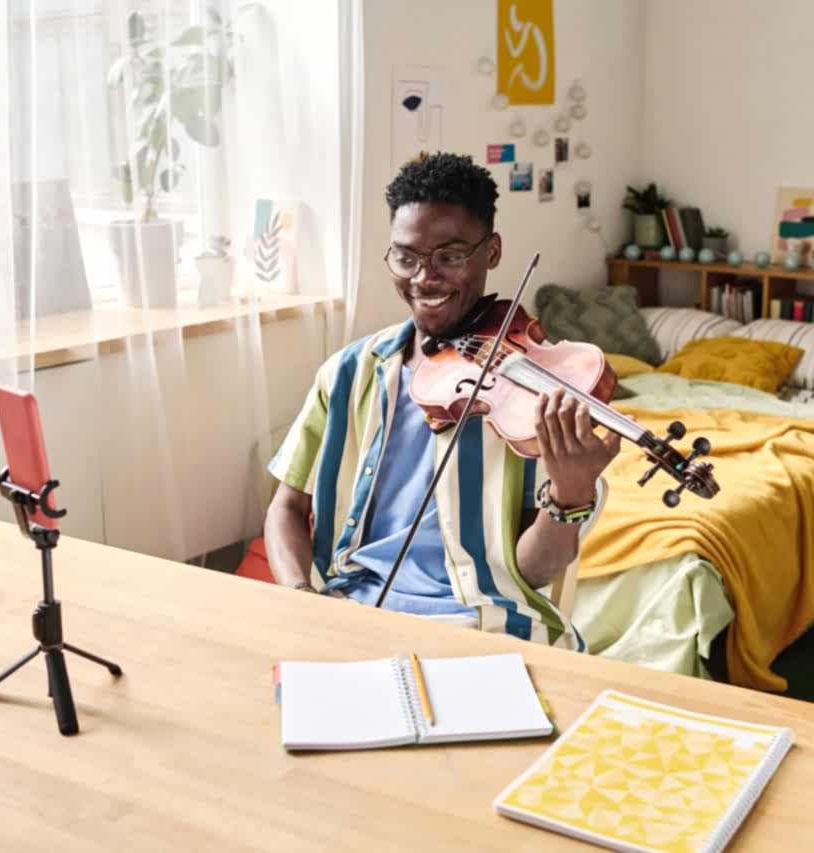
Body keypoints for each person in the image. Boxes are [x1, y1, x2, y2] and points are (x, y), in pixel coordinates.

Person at [264, 152, 621, 650]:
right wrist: (300, 595)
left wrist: (569, 495)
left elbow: (534, 573)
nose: (423, 278)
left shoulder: (536, 394)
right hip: (351, 610)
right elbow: (286, 507)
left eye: (449, 257)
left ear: (491, 252)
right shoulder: (347, 374)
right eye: (406, 257)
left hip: (483, 623)